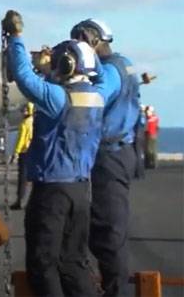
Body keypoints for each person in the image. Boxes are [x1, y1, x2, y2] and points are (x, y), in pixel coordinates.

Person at [3, 10, 106, 297]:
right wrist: (53, 68)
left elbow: (23, 77)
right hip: (81, 190)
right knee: (72, 262)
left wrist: (16, 37)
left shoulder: (57, 97)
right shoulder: (96, 96)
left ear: (67, 64)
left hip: (52, 192)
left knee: (43, 263)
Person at [71, 18, 141, 297]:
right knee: (108, 229)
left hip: (108, 155)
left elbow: (94, 99)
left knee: (107, 232)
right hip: (122, 151)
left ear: (91, 41)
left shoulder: (109, 73)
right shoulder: (124, 63)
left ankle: (114, 291)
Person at [9, 102, 34, 210]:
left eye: (24, 110)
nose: (23, 112)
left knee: (22, 178)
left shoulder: (25, 123)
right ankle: (29, 201)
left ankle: (20, 201)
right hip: (33, 152)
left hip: (24, 152)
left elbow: (21, 140)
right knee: (32, 178)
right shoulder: (34, 121)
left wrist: (16, 152)